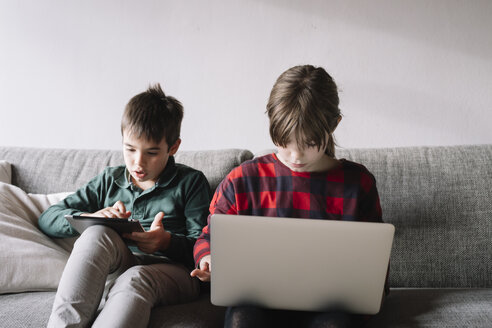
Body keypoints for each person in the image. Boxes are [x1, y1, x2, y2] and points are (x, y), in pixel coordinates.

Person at [191, 65, 384, 328]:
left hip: (330, 308)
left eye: (308, 144)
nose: (295, 156)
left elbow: (373, 266)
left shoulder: (357, 183)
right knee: (241, 319)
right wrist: (209, 258)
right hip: (257, 304)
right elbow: (208, 237)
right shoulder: (241, 181)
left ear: (334, 125)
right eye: (284, 142)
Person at [39, 84, 211, 328]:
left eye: (151, 153)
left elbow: (204, 247)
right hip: (121, 263)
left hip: (175, 273)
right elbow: (48, 217)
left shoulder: (191, 182)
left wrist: (165, 242)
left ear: (173, 148)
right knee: (97, 233)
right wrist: (92, 216)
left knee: (135, 278)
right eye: (130, 149)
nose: (137, 162)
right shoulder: (109, 179)